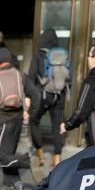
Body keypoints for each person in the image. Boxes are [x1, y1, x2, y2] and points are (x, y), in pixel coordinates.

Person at [0, 47, 36, 190]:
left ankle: (28, 161)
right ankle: (15, 184)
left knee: (2, 158)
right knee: (9, 153)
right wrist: (30, 112)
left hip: (3, 120)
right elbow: (36, 94)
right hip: (17, 120)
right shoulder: (20, 74)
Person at [29, 28, 67, 168]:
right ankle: (56, 158)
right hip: (59, 95)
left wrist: (29, 96)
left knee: (34, 121)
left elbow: (31, 77)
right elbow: (69, 78)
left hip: (43, 96)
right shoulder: (61, 54)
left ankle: (40, 155)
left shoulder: (39, 54)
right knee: (57, 126)